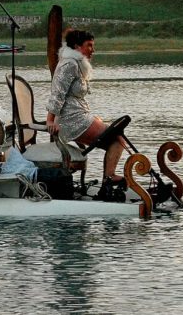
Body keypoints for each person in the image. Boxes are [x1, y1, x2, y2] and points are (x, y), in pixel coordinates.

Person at [46, 29, 127, 199]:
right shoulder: (70, 64)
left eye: (93, 45)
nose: (92, 49)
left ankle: (108, 180)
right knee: (118, 139)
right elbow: (57, 93)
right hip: (71, 120)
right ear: (77, 46)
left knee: (115, 135)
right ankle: (108, 179)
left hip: (78, 115)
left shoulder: (75, 63)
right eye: (89, 45)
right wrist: (50, 120)